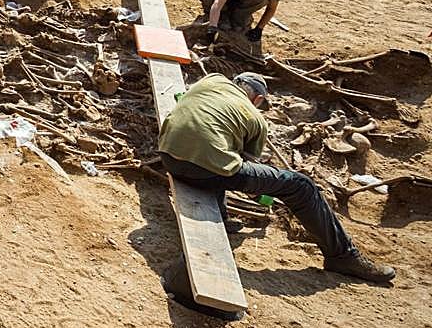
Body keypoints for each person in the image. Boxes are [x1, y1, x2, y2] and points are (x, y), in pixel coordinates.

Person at [159, 72, 395, 282]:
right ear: (258, 99)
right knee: (301, 186)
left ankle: (221, 215)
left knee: (219, 155)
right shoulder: (255, 117)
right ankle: (343, 256)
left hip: (169, 156)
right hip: (202, 169)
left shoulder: (212, 80)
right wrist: (265, 191)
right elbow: (245, 164)